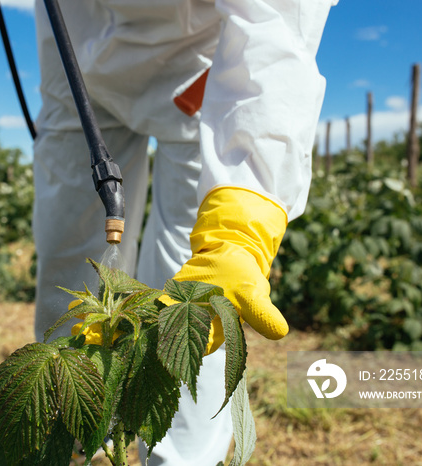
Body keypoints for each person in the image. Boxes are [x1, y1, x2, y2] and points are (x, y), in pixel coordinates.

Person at [32, 0, 337, 464]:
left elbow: (279, 23)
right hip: (75, 40)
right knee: (67, 259)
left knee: (192, 291)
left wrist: (238, 224)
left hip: (202, 63)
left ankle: (179, 457)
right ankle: (71, 435)